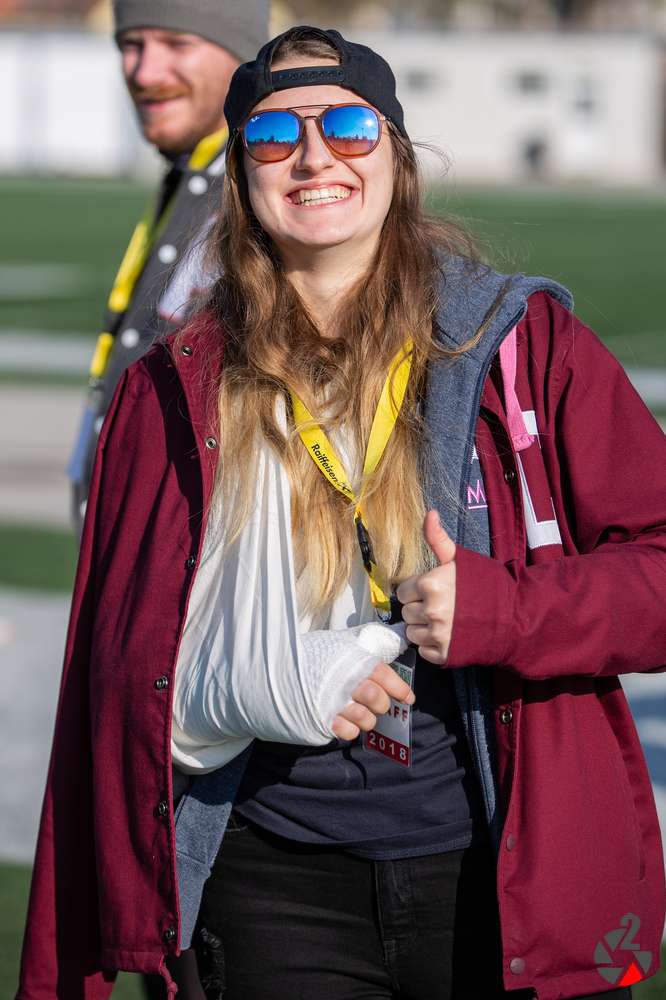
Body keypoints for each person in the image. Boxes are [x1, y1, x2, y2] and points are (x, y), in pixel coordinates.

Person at [17, 24, 666, 1000]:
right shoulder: (173, 387)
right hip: (262, 880)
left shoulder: (526, 346)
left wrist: (506, 611)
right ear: (242, 174)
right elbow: (114, 662)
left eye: (349, 127)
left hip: (493, 876)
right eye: (275, 134)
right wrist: (260, 680)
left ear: (396, 158)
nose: (315, 157)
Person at [67, 0, 270, 534]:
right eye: (130, 45)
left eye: (178, 44)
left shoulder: (263, 194)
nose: (144, 71)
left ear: (242, 57)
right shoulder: (192, 176)